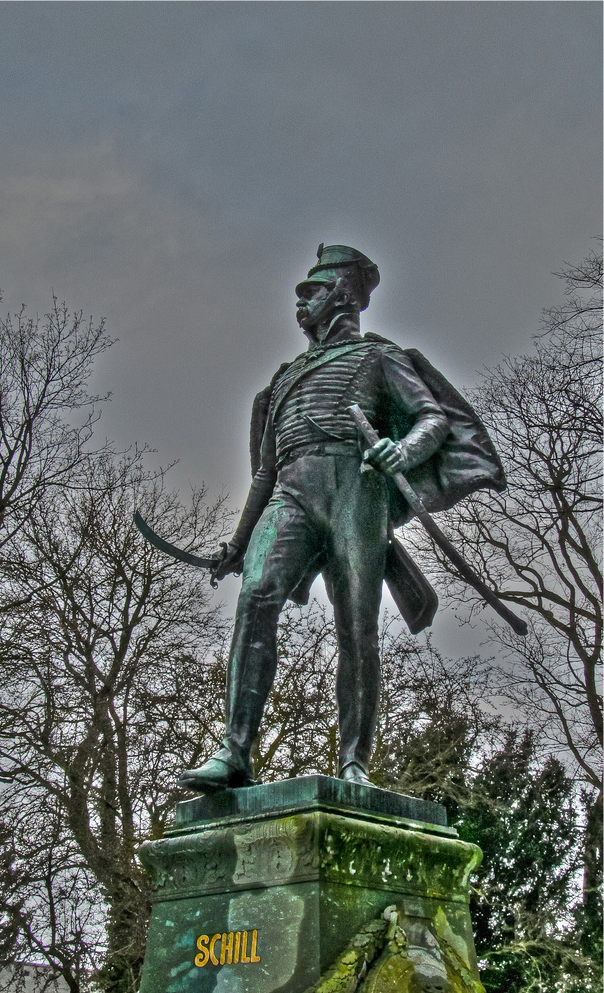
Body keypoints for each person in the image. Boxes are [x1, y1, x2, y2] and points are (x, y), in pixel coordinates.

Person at [179, 245, 504, 792]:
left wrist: (403, 452)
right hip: (293, 493)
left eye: (314, 290)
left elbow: (431, 418)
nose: (301, 300)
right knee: (257, 597)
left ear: (345, 296)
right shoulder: (282, 382)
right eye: (300, 293)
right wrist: (238, 543)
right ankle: (235, 752)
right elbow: (264, 472)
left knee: (357, 626)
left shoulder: (379, 357)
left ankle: (354, 761)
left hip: (359, 490)